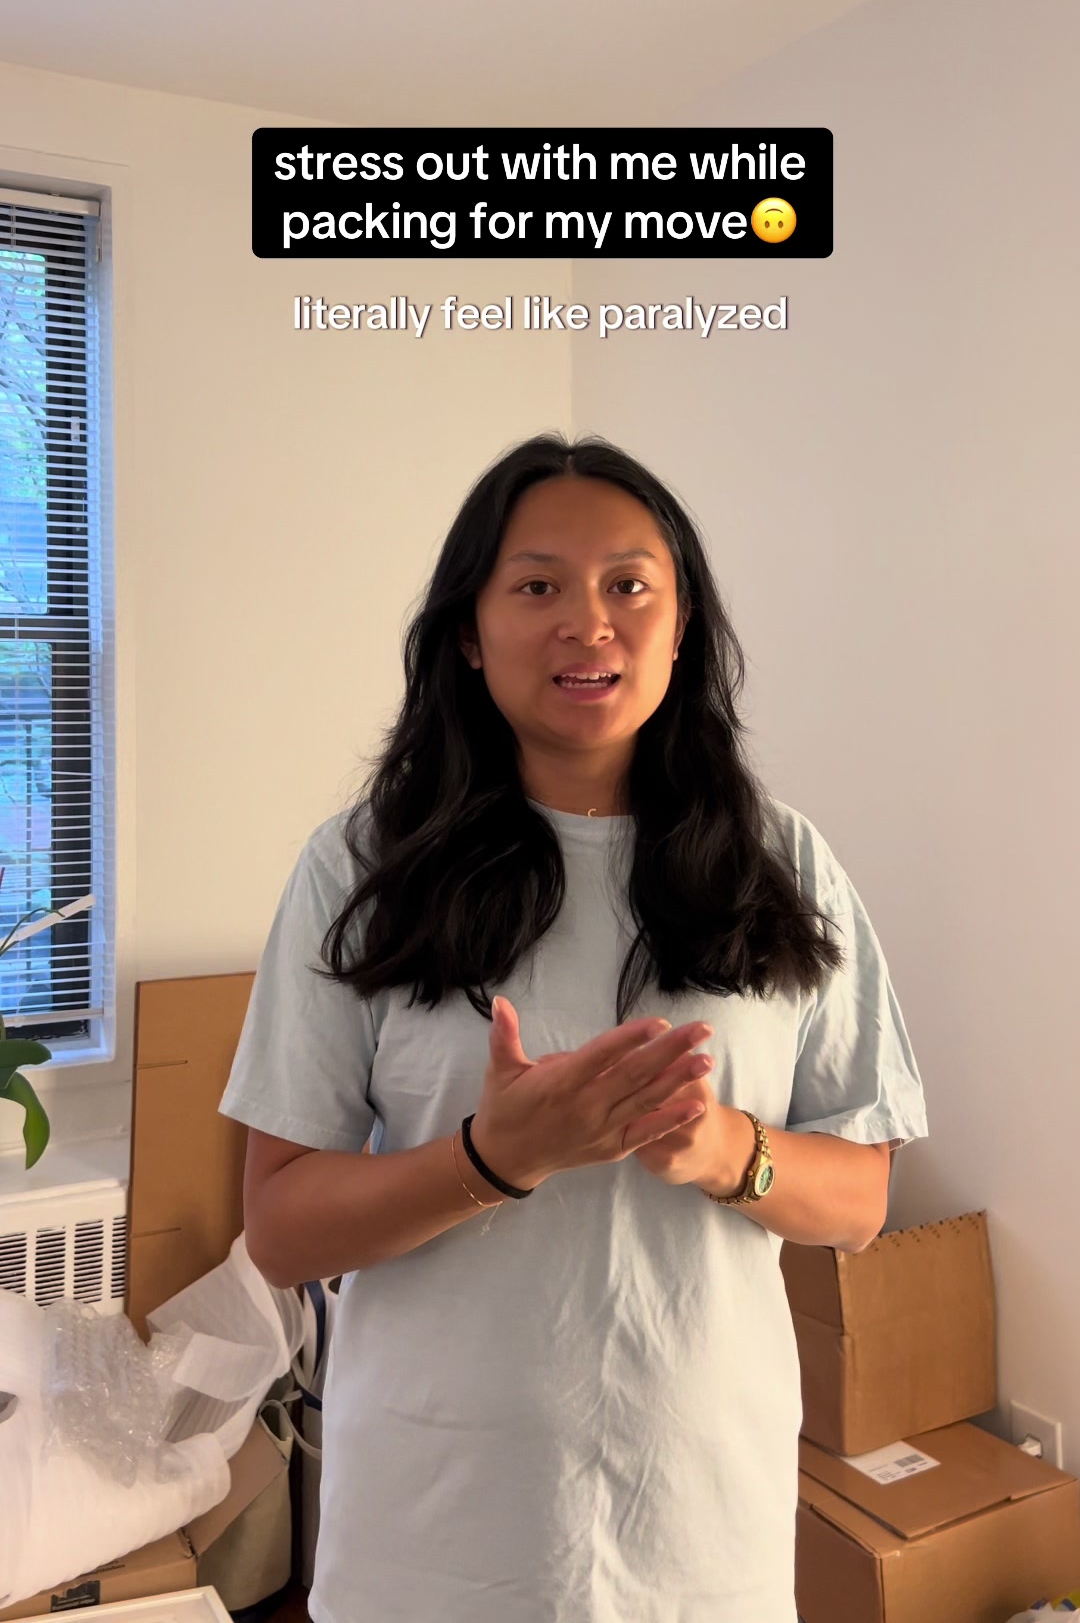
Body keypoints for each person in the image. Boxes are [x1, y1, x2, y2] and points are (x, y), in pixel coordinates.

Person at [219, 432, 928, 1623]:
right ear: (468, 631)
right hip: (434, 1534)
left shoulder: (783, 865)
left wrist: (725, 1151)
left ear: (682, 624)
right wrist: (493, 1160)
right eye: (538, 585)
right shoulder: (364, 868)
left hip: (700, 1529)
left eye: (629, 586)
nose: (588, 624)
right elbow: (281, 1231)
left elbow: (860, 1198)